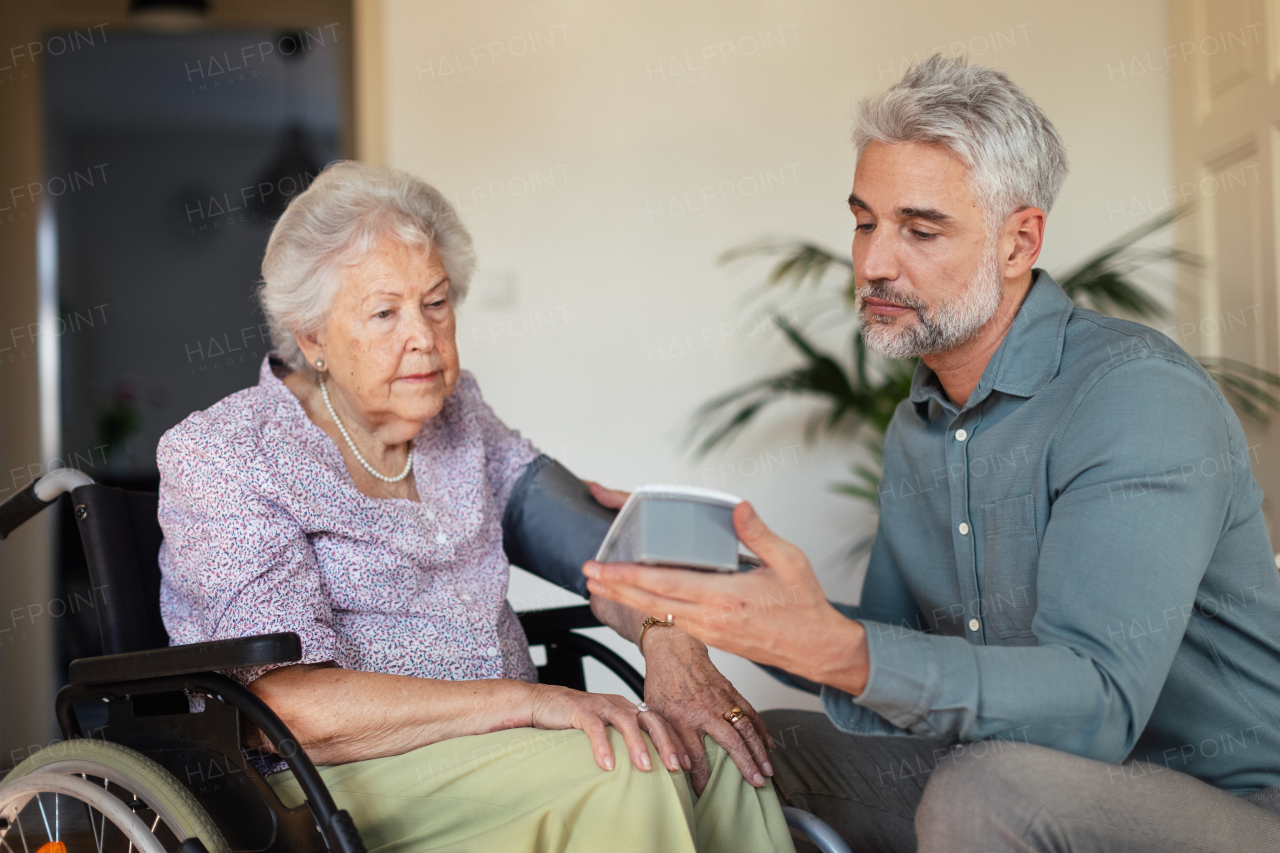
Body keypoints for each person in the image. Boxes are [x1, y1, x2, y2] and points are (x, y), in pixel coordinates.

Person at [584, 54, 1280, 852]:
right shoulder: (920, 423)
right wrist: (731, 598)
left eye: (920, 229)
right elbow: (892, 654)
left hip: (1231, 803)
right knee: (739, 749)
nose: (875, 262)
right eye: (865, 221)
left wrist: (844, 651)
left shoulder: (1135, 397)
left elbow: (1099, 700)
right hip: (1002, 767)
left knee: (986, 790)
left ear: (1020, 241)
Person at [156, 160, 794, 853]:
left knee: (716, 753)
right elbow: (285, 707)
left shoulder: (461, 417)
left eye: (436, 303)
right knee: (626, 763)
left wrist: (667, 634)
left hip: (509, 750)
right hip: (332, 780)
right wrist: (528, 701)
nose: (424, 338)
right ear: (312, 338)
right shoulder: (225, 453)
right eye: (384, 312)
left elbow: (596, 542)